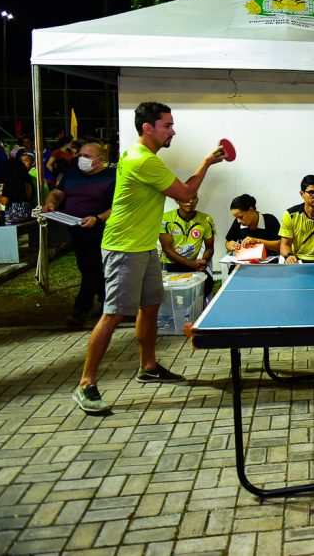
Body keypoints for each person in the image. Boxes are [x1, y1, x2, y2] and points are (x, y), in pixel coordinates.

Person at [72, 102, 225, 415]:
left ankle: (148, 365)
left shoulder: (136, 154)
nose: (172, 131)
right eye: (167, 125)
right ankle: (85, 383)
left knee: (151, 306)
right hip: (124, 248)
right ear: (148, 128)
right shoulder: (144, 160)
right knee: (113, 314)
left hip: (144, 247)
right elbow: (185, 194)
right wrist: (207, 162)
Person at [42, 143, 116, 327]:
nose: (81, 159)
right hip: (74, 228)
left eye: (87, 156)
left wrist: (98, 218)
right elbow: (57, 193)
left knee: (91, 267)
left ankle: (80, 309)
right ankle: (106, 303)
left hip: (99, 229)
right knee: (87, 266)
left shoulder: (111, 177)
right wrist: (50, 203)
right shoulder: (71, 174)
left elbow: (117, 207)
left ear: (100, 160)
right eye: (80, 155)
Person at [159, 195, 216, 298]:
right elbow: (167, 249)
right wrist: (191, 264)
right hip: (169, 265)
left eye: (193, 197)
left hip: (193, 265)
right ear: (177, 200)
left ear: (197, 200)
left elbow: (210, 248)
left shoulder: (206, 219)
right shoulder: (166, 218)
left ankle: (200, 311)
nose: (190, 201)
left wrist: (202, 261)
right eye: (185, 197)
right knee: (173, 295)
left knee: (208, 284)